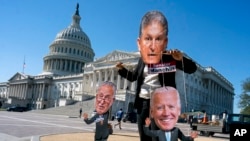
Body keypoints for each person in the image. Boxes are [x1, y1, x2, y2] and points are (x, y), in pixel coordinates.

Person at [116, 10, 197, 141]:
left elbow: (192, 69)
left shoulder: (169, 57)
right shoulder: (143, 59)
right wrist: (121, 69)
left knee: (159, 137)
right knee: (144, 135)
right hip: (143, 102)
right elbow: (134, 77)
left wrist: (179, 59)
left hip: (161, 103)